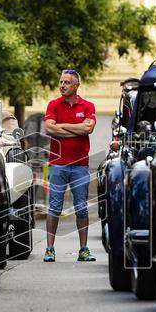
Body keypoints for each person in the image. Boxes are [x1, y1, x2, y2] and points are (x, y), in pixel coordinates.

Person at [43, 69, 96, 262]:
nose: (62, 85)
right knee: (54, 208)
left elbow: (88, 128)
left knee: (81, 208)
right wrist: (77, 129)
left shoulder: (88, 105)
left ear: (76, 85)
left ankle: (83, 250)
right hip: (57, 165)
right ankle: (49, 249)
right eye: (61, 82)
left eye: (66, 82)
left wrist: (62, 127)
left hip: (80, 165)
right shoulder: (54, 104)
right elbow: (49, 128)